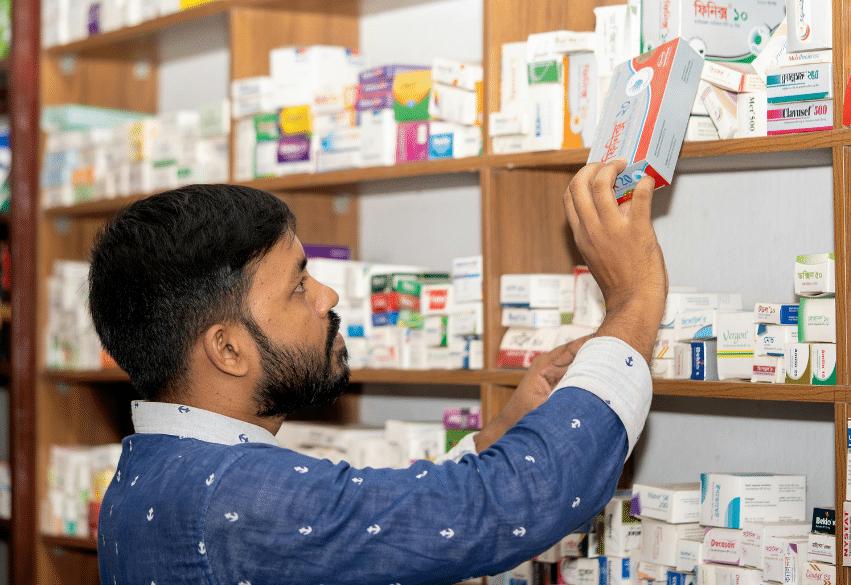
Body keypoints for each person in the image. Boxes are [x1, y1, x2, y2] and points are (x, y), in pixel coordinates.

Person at [89, 159, 667, 585]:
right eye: (297, 286)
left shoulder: (153, 470)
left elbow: (383, 525)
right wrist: (634, 301)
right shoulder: (237, 497)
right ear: (228, 351)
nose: (327, 294)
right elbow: (503, 508)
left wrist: (499, 436)